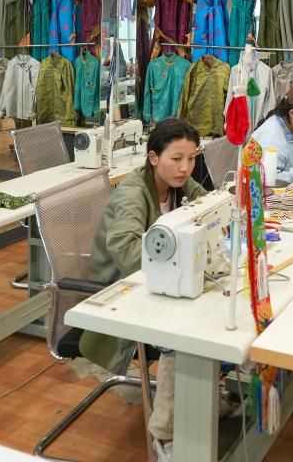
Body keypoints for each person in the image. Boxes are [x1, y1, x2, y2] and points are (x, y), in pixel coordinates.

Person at [79, 118, 207, 462]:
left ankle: (200, 396)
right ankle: (165, 433)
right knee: (182, 335)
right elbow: (127, 254)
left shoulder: (178, 183)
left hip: (153, 287)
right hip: (118, 297)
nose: (185, 167)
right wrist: (185, 257)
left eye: (191, 158)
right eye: (176, 159)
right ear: (153, 157)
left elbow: (209, 207)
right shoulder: (133, 194)